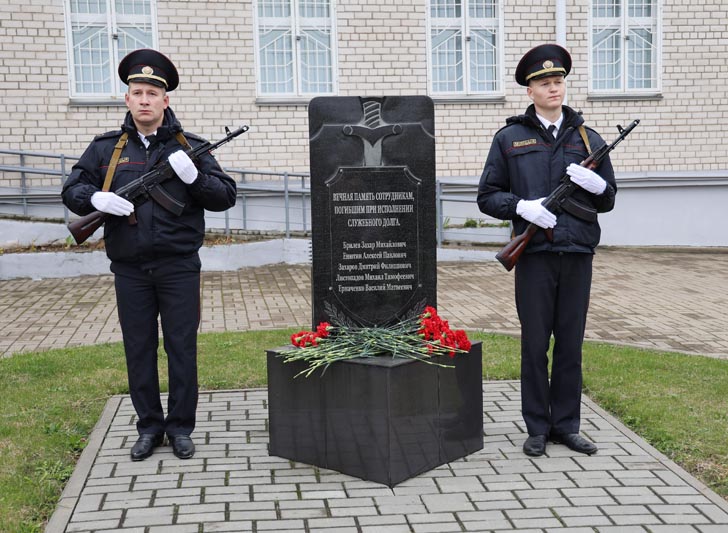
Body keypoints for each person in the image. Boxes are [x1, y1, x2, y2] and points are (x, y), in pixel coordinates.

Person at [62, 49, 237, 461]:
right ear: (127, 100)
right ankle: (148, 427)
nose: (144, 100)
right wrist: (97, 197)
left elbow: (225, 196)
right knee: (138, 348)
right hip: (130, 269)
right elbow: (71, 190)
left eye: (151, 93)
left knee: (181, 347)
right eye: (136, 92)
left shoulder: (188, 147)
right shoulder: (107, 149)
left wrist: (195, 179)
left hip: (178, 267)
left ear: (165, 101)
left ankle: (179, 429)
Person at [477, 44, 616, 457]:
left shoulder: (589, 138)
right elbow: (488, 196)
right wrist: (523, 207)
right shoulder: (510, 138)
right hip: (534, 255)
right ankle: (537, 427)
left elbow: (608, 199)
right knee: (535, 343)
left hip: (576, 254)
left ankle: (566, 426)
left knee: (570, 343)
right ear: (529, 91)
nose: (553, 88)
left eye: (558, 82)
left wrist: (598, 186)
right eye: (544, 83)